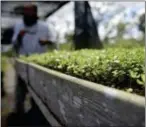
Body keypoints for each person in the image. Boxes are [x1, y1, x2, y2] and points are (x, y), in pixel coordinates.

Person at [11, 4, 56, 114]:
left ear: (35, 15)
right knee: (21, 89)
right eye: (25, 14)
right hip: (23, 61)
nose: (27, 17)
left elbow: (53, 41)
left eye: (29, 14)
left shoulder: (44, 27)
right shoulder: (19, 25)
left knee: (38, 90)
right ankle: (19, 112)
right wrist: (19, 36)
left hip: (39, 64)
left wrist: (46, 41)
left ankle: (37, 111)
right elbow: (14, 43)